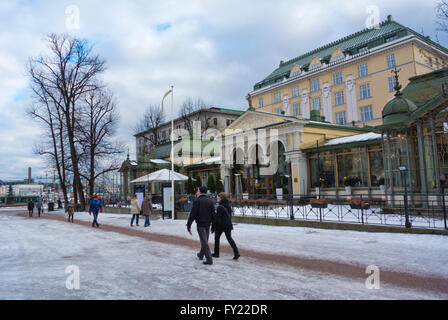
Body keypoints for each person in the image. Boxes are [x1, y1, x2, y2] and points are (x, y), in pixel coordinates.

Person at [187, 186, 216, 265]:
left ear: (200, 192)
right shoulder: (210, 201)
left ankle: (209, 259)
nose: (196, 192)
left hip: (200, 224)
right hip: (208, 224)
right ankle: (201, 254)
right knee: (205, 240)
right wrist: (213, 226)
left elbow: (193, 214)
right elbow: (213, 215)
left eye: (197, 190)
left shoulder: (197, 201)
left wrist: (188, 225)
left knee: (204, 242)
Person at [212, 192, 240, 260]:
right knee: (229, 238)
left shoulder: (219, 207)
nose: (217, 198)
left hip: (221, 226)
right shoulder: (228, 205)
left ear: (221, 198)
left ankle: (216, 253)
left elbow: (218, 219)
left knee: (216, 238)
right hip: (227, 225)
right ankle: (236, 252)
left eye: (218, 197)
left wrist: (214, 227)